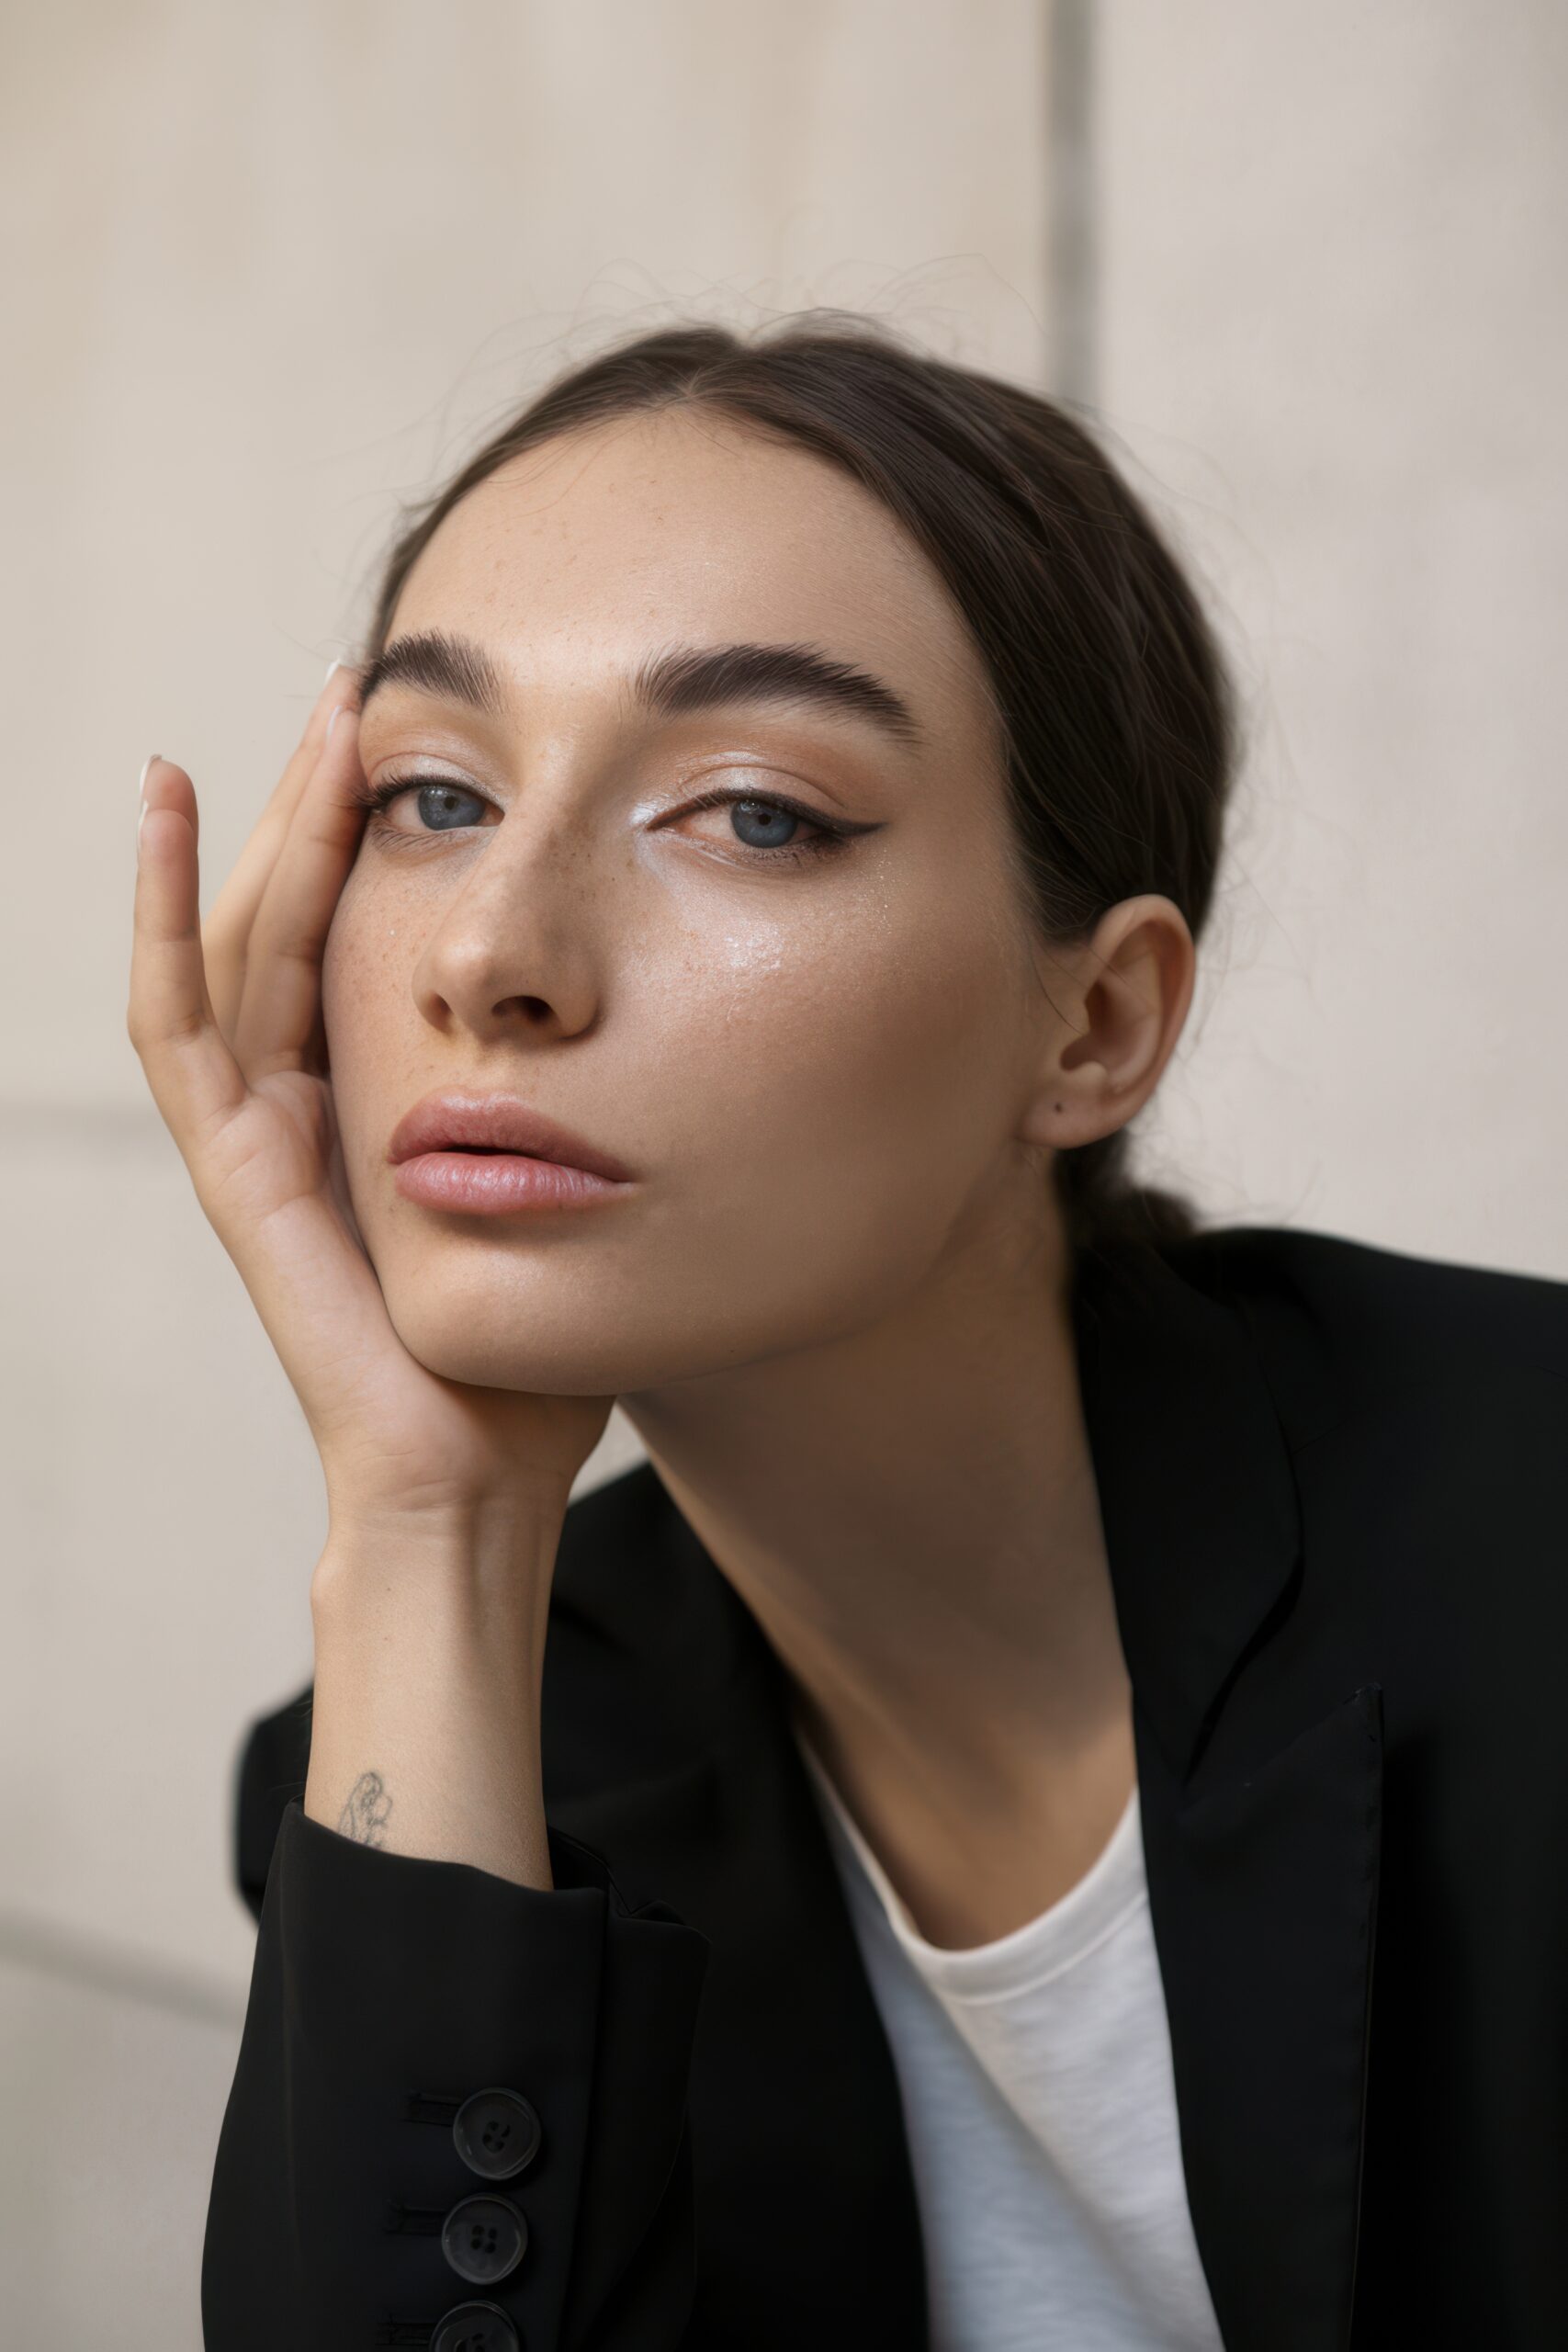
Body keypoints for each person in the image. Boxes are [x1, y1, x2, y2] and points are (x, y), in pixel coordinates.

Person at [128, 320, 1568, 2352]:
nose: (489, 956)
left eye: (751, 813)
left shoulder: (1522, 1549)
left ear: (1090, 1023)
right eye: (432, 795)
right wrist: (424, 1521)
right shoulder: (445, 1768)